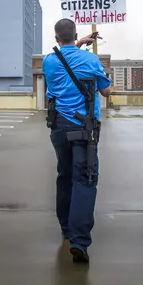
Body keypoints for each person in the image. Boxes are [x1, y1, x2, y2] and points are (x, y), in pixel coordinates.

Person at [43, 18, 112, 263]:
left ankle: (65, 227)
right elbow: (106, 91)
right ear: (76, 34)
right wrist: (101, 69)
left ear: (56, 39)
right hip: (85, 127)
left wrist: (77, 44)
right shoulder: (92, 61)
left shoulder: (50, 61)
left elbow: (66, 57)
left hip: (59, 126)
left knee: (65, 175)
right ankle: (79, 241)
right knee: (85, 178)